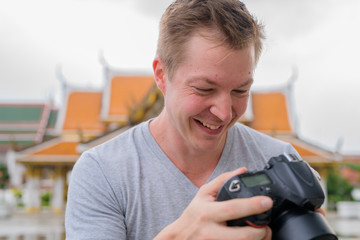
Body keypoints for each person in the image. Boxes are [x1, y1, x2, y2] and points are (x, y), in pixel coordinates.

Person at [65, 0, 301, 239]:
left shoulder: (280, 161)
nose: (225, 113)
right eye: (203, 89)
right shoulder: (102, 172)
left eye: (240, 91)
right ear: (161, 75)